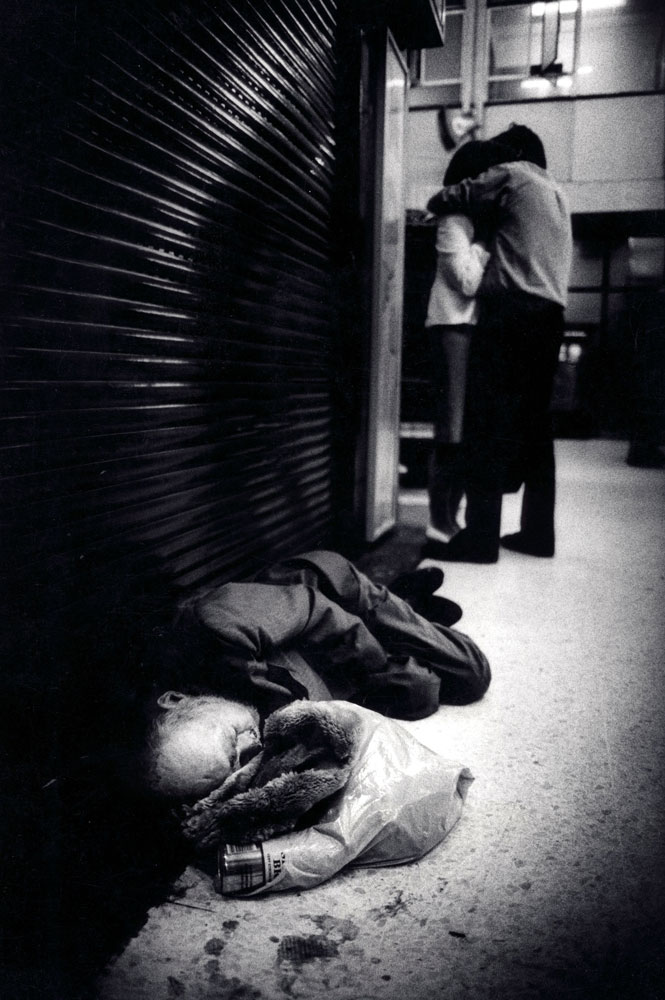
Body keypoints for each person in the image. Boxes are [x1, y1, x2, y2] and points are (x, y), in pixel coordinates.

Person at [141, 551, 491, 799]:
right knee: (421, 694)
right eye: (233, 767)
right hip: (325, 663)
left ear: (177, 700)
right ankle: (411, 609)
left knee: (472, 674)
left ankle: (392, 602)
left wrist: (378, 668)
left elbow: (321, 612)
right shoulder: (226, 734)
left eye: (230, 741)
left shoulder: (215, 625)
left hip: (334, 600)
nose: (249, 748)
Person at [424, 124, 573, 562]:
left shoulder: (513, 174)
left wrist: (446, 204)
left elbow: (450, 196)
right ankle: (537, 534)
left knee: (486, 423)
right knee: (537, 428)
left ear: (515, 154)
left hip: (514, 315)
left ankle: (481, 539)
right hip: (552, 317)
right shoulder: (557, 192)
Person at [424, 140, 496, 543]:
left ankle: (449, 516)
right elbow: (467, 281)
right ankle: (439, 519)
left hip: (465, 329)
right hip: (451, 327)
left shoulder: (469, 223)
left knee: (463, 431)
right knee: (450, 429)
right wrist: (485, 249)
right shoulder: (452, 222)